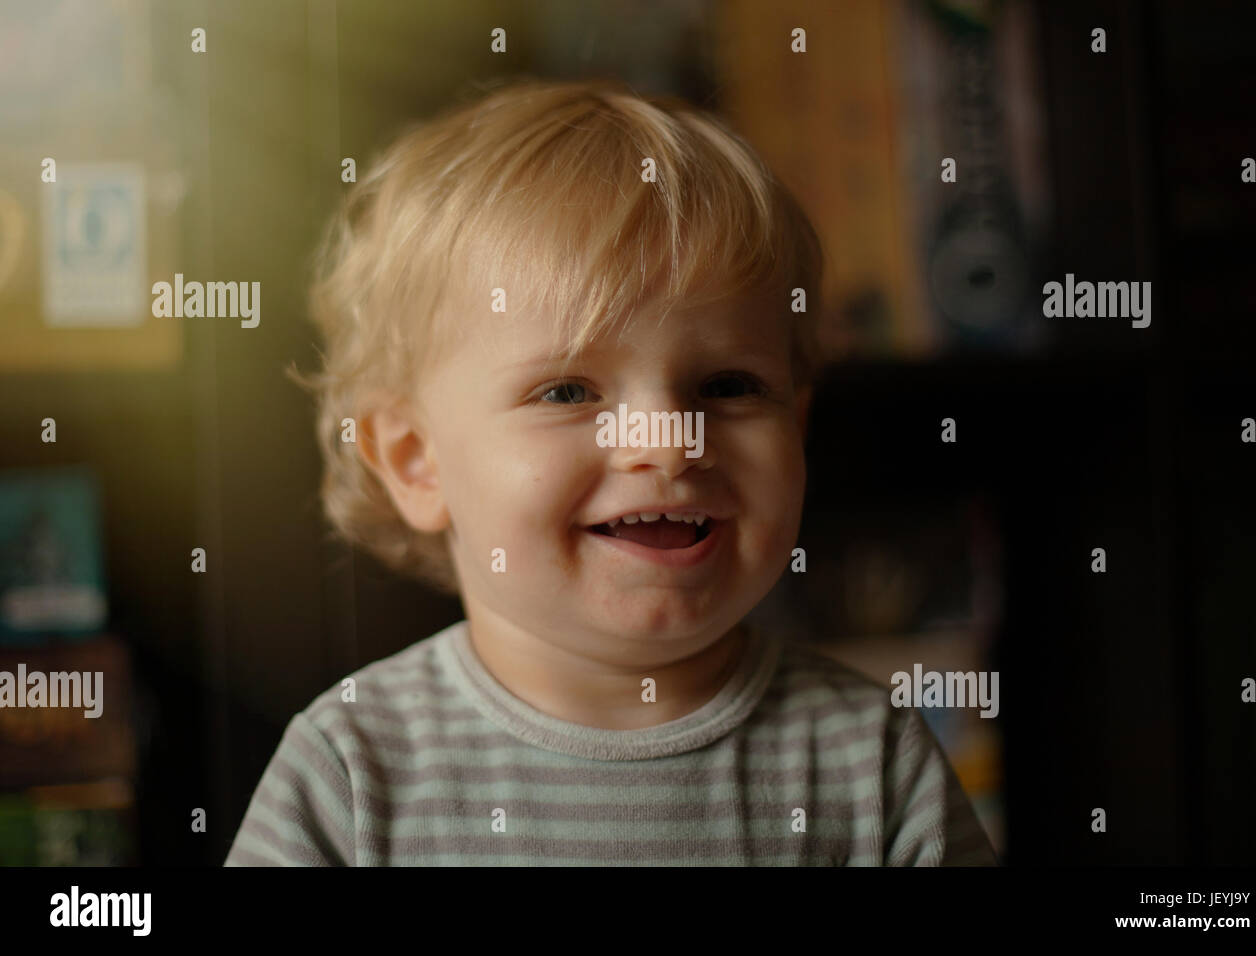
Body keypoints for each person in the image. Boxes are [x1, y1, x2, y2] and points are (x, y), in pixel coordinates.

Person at [226, 77, 997, 866]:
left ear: (795, 424)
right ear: (416, 461)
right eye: (566, 391)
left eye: (728, 387)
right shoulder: (352, 770)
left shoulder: (871, 761)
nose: (668, 443)